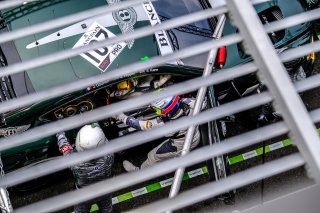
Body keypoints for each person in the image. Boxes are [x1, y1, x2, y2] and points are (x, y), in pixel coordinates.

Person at [115, 93, 204, 172]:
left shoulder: (166, 125)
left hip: (180, 146)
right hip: (195, 136)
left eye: (158, 110)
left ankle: (138, 172)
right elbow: (203, 103)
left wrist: (121, 116)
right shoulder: (192, 103)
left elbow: (139, 125)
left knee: (153, 155)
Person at [56, 121, 113, 213]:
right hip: (105, 191)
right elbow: (100, 135)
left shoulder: (75, 162)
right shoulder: (109, 153)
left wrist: (60, 133)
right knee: (107, 209)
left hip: (84, 196)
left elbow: (64, 146)